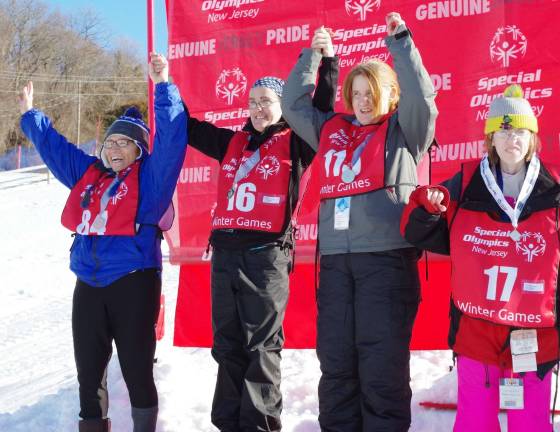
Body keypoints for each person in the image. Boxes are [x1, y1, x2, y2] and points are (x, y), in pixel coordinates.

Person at [401, 84, 560, 432]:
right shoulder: (466, 183)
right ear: (490, 138)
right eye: (503, 130)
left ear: (532, 137)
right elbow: (421, 232)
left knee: (531, 423)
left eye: (520, 130)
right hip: (477, 330)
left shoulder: (553, 186)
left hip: (533, 334)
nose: (511, 139)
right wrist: (427, 208)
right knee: (475, 421)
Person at [282, 13, 437, 431]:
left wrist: (401, 44)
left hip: (385, 264)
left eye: (373, 92)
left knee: (382, 371)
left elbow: (422, 99)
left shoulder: (405, 132)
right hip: (334, 265)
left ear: (389, 95)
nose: (364, 100)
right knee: (336, 368)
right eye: (358, 92)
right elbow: (293, 106)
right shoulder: (333, 129)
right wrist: (312, 58)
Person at [18, 54, 185, 432]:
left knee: (137, 371)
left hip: (133, 281)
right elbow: (56, 150)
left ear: (140, 150)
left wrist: (163, 87)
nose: (115, 149)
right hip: (89, 286)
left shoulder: (151, 181)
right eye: (111, 141)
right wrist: (31, 116)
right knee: (89, 374)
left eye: (125, 143)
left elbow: (173, 138)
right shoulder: (90, 174)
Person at [183, 31, 339, 432]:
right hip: (225, 258)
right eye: (252, 102)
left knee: (261, 349)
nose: (257, 109)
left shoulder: (297, 142)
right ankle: (228, 423)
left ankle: (259, 426)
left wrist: (326, 63)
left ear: (281, 107)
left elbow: (321, 109)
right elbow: (189, 127)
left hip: (267, 257)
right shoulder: (232, 141)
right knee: (227, 346)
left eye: (265, 102)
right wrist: (165, 84)